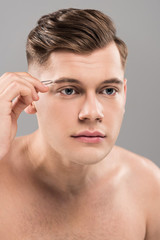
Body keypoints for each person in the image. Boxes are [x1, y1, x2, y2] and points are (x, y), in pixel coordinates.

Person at [0, 8, 159, 239]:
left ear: (124, 94)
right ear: (31, 98)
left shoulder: (149, 187)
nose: (92, 113)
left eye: (108, 90)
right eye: (69, 90)